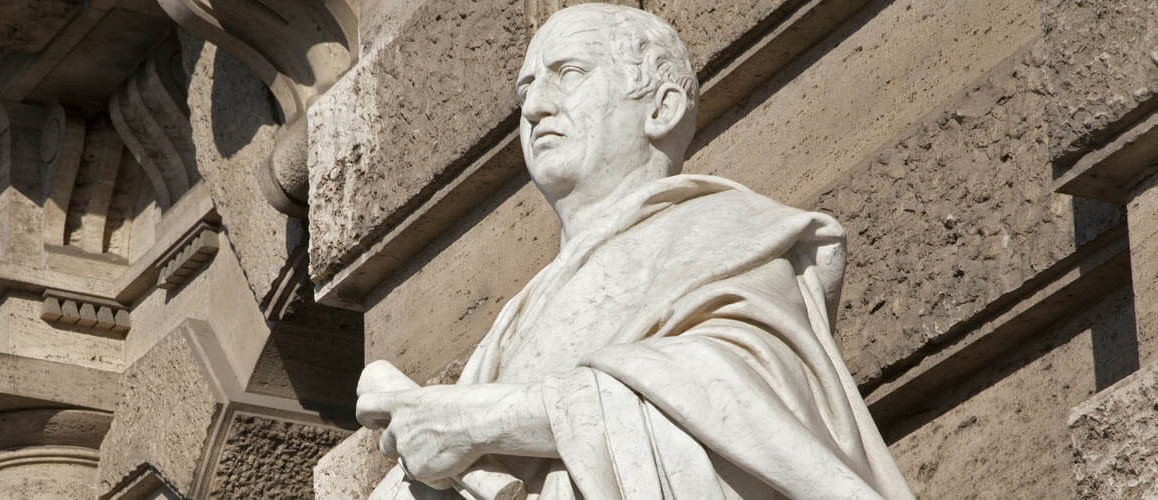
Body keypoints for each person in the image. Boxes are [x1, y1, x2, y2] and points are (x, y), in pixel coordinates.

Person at [356, 4, 914, 499]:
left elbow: (736, 408)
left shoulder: (729, 237)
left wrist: (484, 420)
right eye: (525, 92)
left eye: (568, 74)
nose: (533, 109)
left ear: (662, 107)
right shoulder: (514, 318)